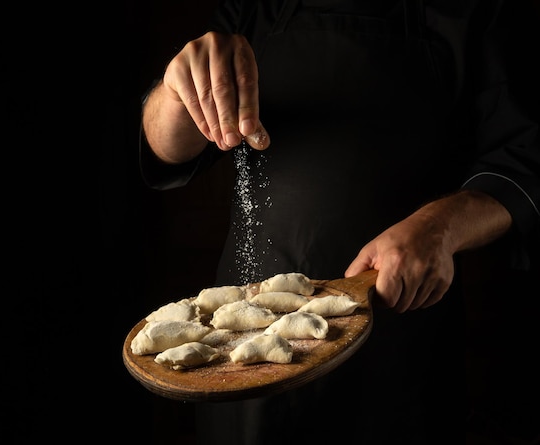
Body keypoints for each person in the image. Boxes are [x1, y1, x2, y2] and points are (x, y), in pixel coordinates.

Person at [139, 0, 540, 444]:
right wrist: (176, 94)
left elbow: (522, 163)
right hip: (241, 340)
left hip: (400, 329)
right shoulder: (252, 7)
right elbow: (166, 150)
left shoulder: (476, 13)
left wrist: (441, 225)